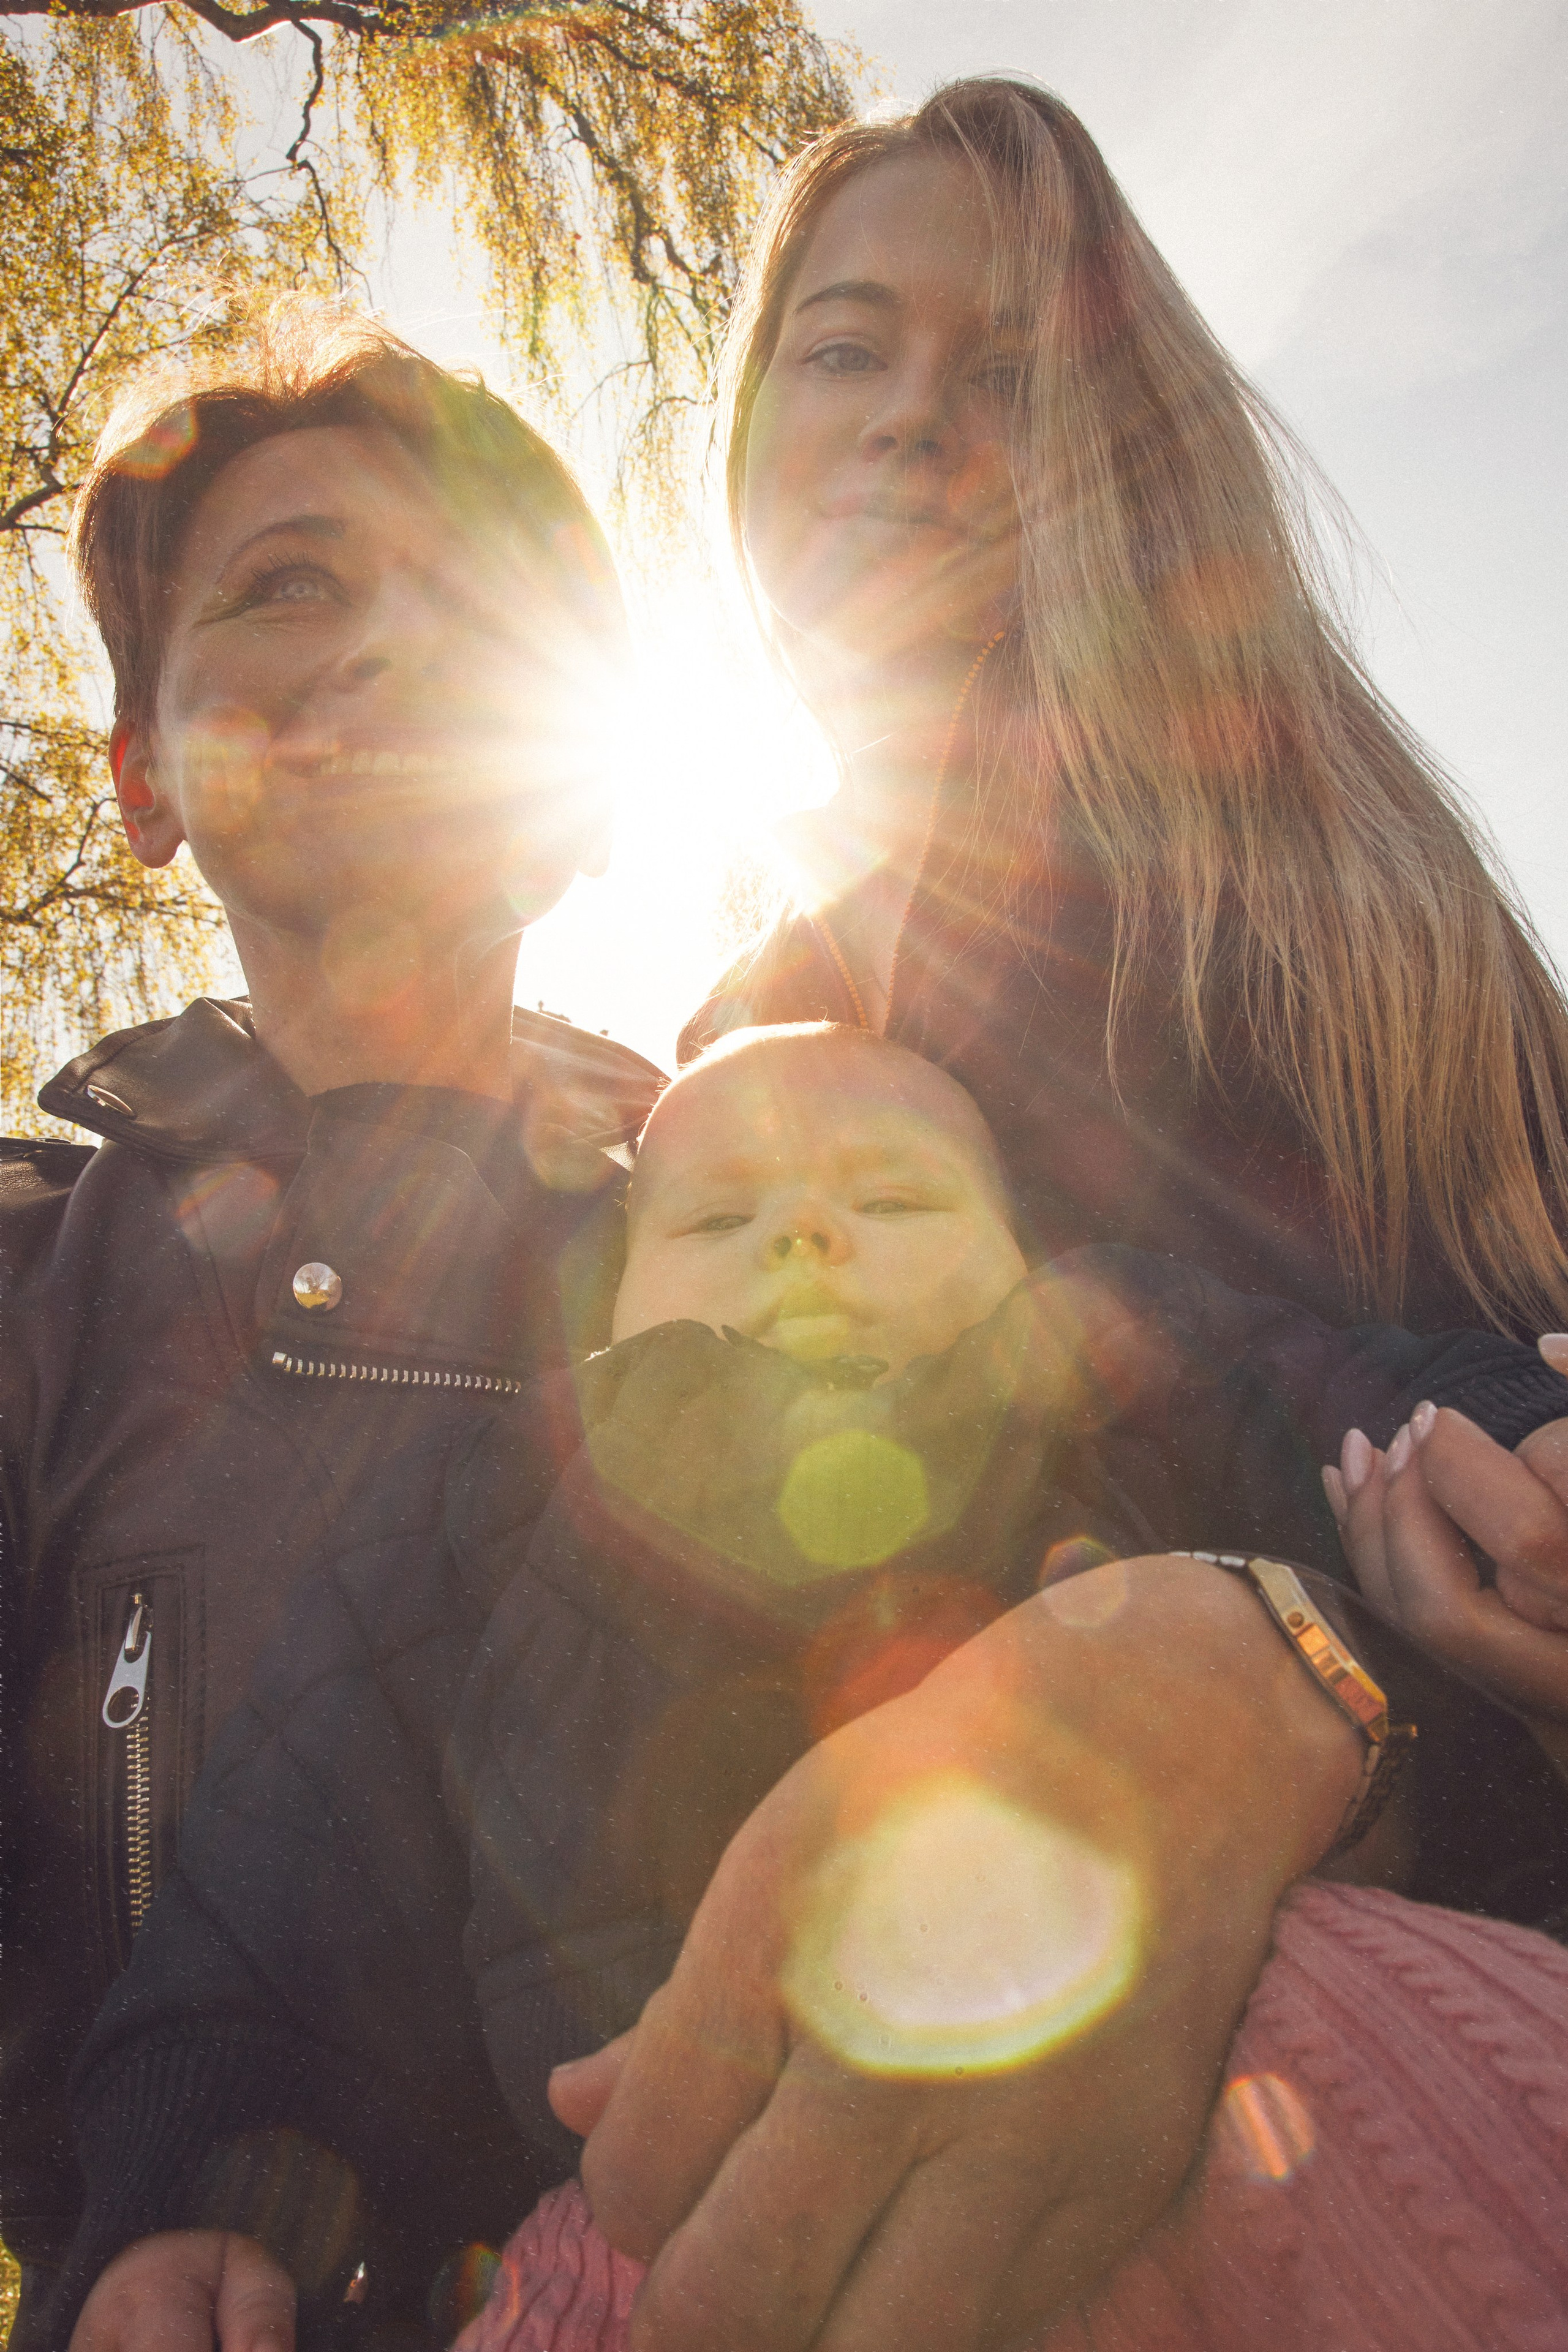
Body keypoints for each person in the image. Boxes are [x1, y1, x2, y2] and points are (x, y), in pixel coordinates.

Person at [568, 72, 1568, 2352]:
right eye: (847, 346)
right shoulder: (749, 1034)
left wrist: (1328, 1674)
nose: (918, 420)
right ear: (746, 430)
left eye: (1011, 376)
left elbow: (1405, 1410)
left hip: (1391, 2070)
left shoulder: (1308, 894)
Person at [61, 1027, 1568, 2352]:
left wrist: (1522, 1440)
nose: (804, 1241)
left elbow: (1372, 1392)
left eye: (895, 1198)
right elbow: (290, 1868)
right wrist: (216, 2183)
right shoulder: (493, 1492)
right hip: (652, 2217)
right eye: (719, 1216)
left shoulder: (1121, 1349)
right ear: (607, 1292)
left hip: (1263, 2092)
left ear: (1021, 1249)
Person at [0, 302, 662, 2352]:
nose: (389, 651)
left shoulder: (749, 1246)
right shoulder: (35, 1290)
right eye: (292, 586)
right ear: (143, 780)